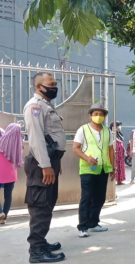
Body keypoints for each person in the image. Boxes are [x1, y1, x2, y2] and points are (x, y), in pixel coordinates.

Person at [23, 72, 66, 263]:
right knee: (40, 205)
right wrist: (46, 165)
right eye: (51, 84)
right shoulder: (35, 106)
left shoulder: (47, 105)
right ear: (39, 86)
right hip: (42, 164)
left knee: (48, 203)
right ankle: (36, 252)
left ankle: (41, 241)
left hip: (50, 162)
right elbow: (36, 138)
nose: (55, 87)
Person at [72, 103, 114, 238]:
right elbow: (75, 148)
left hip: (103, 168)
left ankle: (93, 223)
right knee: (87, 197)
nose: (98, 116)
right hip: (87, 169)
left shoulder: (107, 131)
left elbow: (110, 149)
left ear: (105, 116)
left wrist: (113, 167)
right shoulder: (82, 130)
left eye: (101, 114)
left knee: (100, 197)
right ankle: (82, 226)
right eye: (95, 114)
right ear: (90, 115)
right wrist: (87, 158)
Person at [0, 123, 23, 225]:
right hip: (11, 174)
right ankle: (4, 217)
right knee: (8, 196)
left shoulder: (2, 141)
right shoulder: (18, 143)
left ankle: (0, 212)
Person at [110, 121, 126, 185]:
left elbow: (122, 142)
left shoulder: (119, 134)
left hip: (120, 154)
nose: (119, 127)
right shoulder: (111, 134)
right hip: (115, 153)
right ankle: (114, 181)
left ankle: (120, 180)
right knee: (115, 166)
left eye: (119, 126)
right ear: (113, 127)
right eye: (118, 126)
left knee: (120, 166)